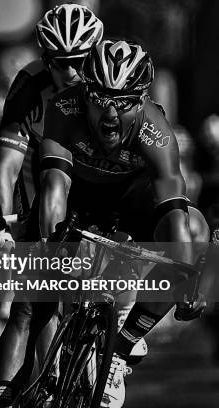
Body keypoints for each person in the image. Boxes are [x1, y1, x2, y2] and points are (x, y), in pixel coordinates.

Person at [39, 38, 210, 408]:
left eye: (124, 102)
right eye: (100, 98)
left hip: (132, 204)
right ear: (85, 93)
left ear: (142, 101)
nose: (110, 114)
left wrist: (186, 276)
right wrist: (54, 252)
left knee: (194, 233)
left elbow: (173, 214)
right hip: (78, 201)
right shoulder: (64, 108)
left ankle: (120, 349)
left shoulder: (157, 131)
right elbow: (55, 185)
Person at [0, 4, 104, 406]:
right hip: (39, 180)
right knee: (29, 305)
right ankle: (7, 398)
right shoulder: (28, 88)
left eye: (77, 63)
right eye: (57, 63)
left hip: (92, 177)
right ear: (44, 59)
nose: (68, 73)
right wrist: (3, 227)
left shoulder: (110, 85)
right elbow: (5, 168)